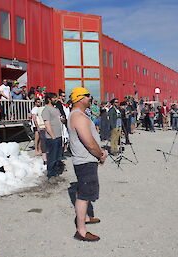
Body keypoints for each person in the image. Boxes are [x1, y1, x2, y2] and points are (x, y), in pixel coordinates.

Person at [68, 87, 107, 242]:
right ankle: (81, 231)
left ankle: (85, 217)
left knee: (83, 191)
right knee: (84, 195)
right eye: (87, 96)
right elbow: (89, 143)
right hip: (85, 161)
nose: (90, 99)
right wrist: (101, 155)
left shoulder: (78, 115)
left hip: (84, 160)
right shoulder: (78, 116)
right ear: (80, 98)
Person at [42, 93, 64, 182]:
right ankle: (50, 175)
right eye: (54, 98)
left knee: (58, 157)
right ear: (49, 99)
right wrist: (53, 136)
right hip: (52, 138)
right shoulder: (46, 110)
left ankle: (56, 174)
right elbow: (47, 124)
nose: (56, 99)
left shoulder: (56, 109)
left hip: (59, 136)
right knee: (52, 157)